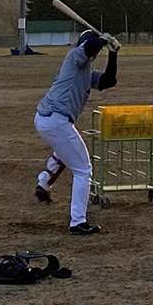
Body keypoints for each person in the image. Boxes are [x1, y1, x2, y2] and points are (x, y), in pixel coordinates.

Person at [34, 30, 120, 234]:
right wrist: (100, 40)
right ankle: (78, 222)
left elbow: (109, 81)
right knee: (83, 169)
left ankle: (44, 182)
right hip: (55, 120)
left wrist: (114, 53)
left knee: (68, 152)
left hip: (49, 120)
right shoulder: (74, 57)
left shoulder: (86, 70)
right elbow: (89, 47)